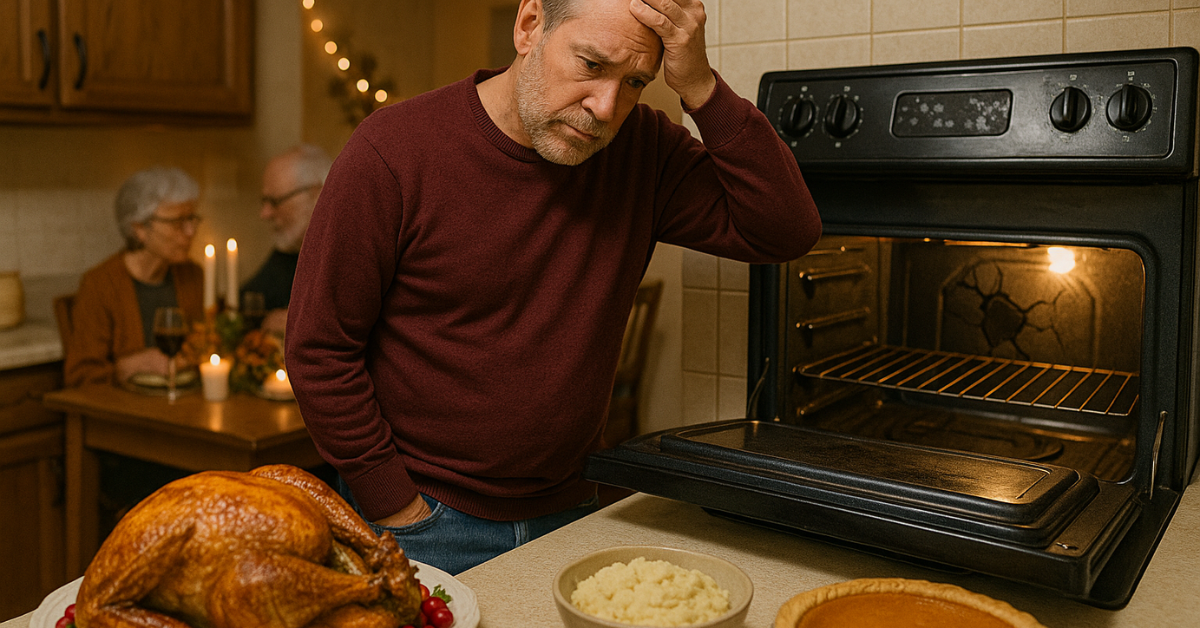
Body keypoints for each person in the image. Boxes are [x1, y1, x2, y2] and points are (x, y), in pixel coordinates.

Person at [286, 0, 821, 574]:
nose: (605, 107)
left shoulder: (642, 150)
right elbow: (319, 351)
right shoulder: (392, 151)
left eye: (635, 82)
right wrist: (396, 505)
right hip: (422, 521)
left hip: (571, 510)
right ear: (529, 25)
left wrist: (700, 86)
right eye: (591, 65)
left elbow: (785, 230)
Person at [65, 167, 205, 388]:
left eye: (192, 219)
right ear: (139, 228)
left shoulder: (192, 275)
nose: (190, 231)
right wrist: (124, 368)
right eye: (178, 222)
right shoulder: (100, 285)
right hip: (128, 414)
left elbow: (207, 347)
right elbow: (80, 377)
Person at [241, 144, 332, 333]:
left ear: (317, 194)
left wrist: (305, 325)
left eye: (275, 202)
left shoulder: (355, 249)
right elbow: (246, 305)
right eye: (264, 202)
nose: (264, 214)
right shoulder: (289, 251)